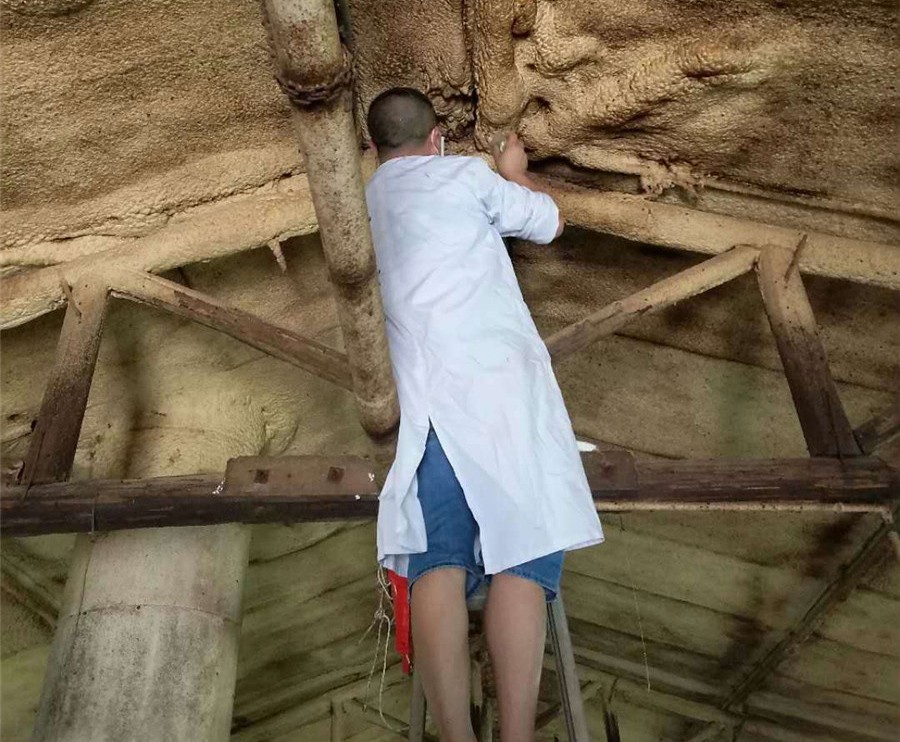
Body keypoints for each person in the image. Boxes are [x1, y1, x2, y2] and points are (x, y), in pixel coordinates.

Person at [365, 87, 604, 742]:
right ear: (436, 139)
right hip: (502, 392)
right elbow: (549, 222)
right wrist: (515, 172)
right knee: (524, 546)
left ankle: (455, 735)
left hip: (425, 402)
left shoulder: (364, 203)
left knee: (436, 557)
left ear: (372, 148)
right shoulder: (466, 177)